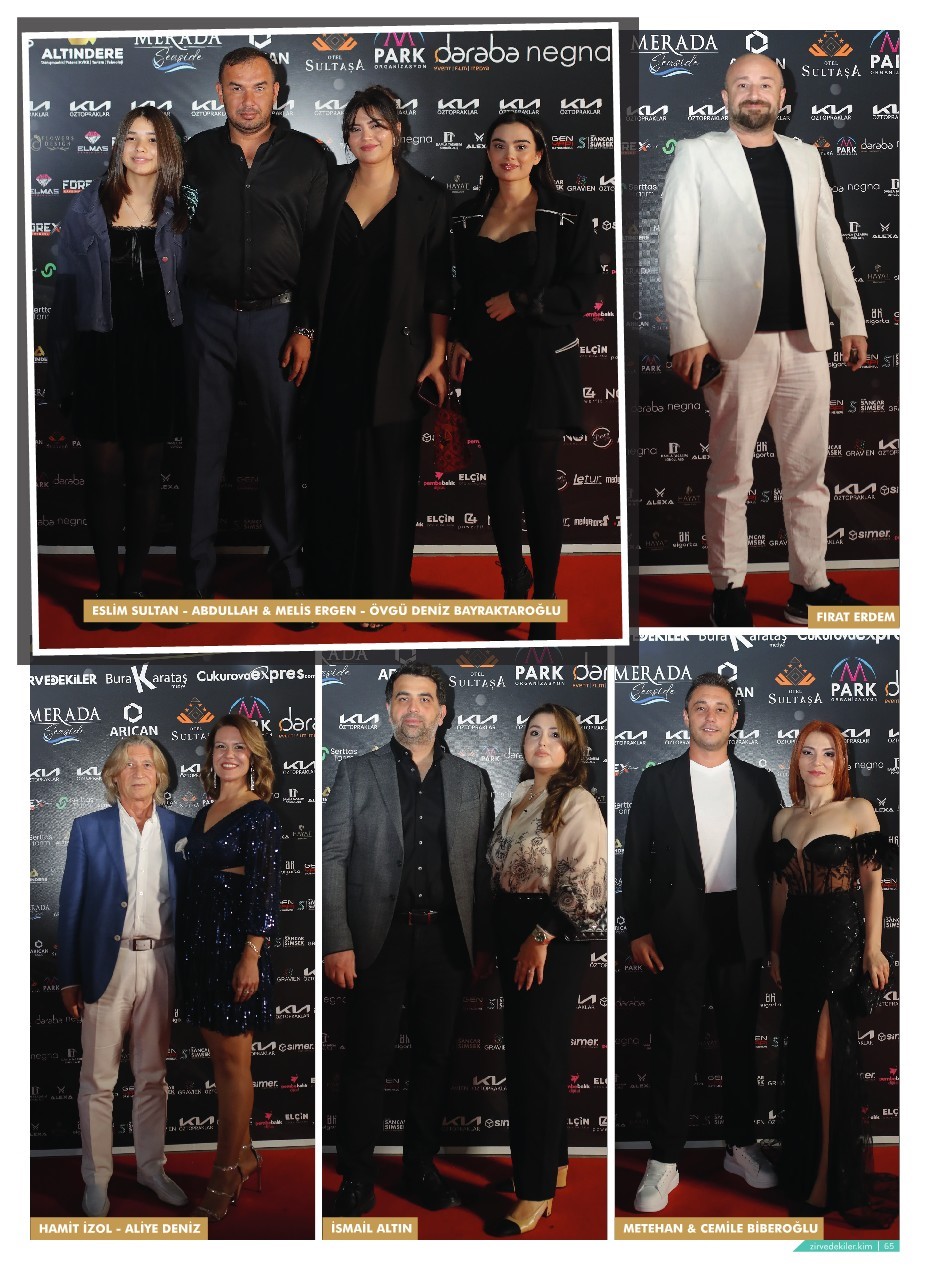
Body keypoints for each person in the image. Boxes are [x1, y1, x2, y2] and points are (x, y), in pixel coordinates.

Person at [658, 54, 868, 627]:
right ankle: (728, 590)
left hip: (806, 339)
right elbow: (675, 248)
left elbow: (828, 239)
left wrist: (850, 317)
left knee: (808, 475)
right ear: (725, 97)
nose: (754, 93)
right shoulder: (697, 154)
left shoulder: (806, 157)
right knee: (731, 476)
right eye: (743, 84)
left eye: (765, 84)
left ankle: (810, 586)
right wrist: (687, 332)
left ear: (782, 96)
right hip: (733, 342)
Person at [322, 664, 494, 1216]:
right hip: (376, 941)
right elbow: (333, 858)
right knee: (365, 1061)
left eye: (424, 698)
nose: (413, 708)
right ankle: (357, 1175)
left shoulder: (472, 779)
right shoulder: (356, 772)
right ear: (389, 708)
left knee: (435, 1060)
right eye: (402, 698)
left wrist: (482, 943)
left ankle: (421, 1166)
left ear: (442, 711)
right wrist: (337, 940)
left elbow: (482, 870)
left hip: (446, 943)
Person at [622, 672, 783, 1212]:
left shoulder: (761, 782)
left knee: (739, 1042)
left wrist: (776, 938)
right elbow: (635, 859)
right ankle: (664, 1159)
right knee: (674, 1045)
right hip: (676, 929)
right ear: (685, 717)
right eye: (700, 707)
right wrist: (638, 928)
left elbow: (776, 866)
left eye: (720, 707)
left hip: (741, 925)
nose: (710, 716)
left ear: (735, 719)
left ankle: (741, 1145)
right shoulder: (657, 781)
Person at [180, 47, 328, 600]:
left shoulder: (309, 157)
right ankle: (194, 583)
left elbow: (320, 253)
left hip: (279, 322)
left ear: (277, 91)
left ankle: (289, 577)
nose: (248, 99)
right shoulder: (192, 154)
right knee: (201, 451)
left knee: (281, 453)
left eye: (259, 86)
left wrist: (305, 328)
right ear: (219, 92)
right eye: (236, 87)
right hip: (207, 318)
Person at [450, 113, 599, 639]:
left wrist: (521, 300)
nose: (508, 155)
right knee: (501, 480)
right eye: (498, 146)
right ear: (488, 154)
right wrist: (458, 338)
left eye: (520, 146)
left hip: (543, 364)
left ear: (538, 154)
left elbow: (582, 289)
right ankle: (514, 583)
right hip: (488, 364)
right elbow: (461, 291)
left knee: (538, 481)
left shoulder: (569, 211)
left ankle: (547, 600)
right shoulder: (466, 216)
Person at [305, 85, 452, 619]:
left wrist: (438, 351)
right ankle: (330, 586)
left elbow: (438, 285)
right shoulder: (326, 187)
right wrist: (304, 330)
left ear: (397, 131)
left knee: (389, 477)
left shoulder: (429, 197)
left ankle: (382, 591)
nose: (365, 136)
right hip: (333, 352)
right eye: (355, 127)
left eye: (377, 125)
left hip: (400, 354)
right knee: (333, 470)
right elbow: (307, 272)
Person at [47, 107, 186, 613]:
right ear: (118, 146)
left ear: (167, 149)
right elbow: (63, 295)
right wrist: (61, 371)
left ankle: (134, 587)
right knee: (103, 474)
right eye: (131, 137)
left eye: (152, 138)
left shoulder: (182, 209)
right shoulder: (87, 206)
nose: (140, 147)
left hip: (158, 359)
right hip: (99, 357)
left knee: (147, 473)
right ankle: (107, 587)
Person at [57, 738, 190, 1217]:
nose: (138, 771)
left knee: (153, 1077)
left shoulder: (183, 829)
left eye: (147, 764)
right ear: (114, 776)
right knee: (97, 1081)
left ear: (160, 775)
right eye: (128, 764)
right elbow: (71, 907)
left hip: (162, 963)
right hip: (105, 966)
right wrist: (68, 977)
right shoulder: (87, 829)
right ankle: (97, 1180)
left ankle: (152, 1169)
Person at [487, 705, 607, 1236]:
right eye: (533, 731)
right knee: (535, 1055)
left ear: (571, 747)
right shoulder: (518, 795)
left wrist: (539, 938)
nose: (541, 741)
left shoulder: (577, 801)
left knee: (535, 1061)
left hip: (550, 936)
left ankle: (533, 1192)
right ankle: (552, 1163)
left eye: (555, 735)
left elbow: (585, 882)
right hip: (513, 933)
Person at [770, 722, 891, 1219]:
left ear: (841, 762)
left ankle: (825, 1177)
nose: (816, 762)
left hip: (839, 941)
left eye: (827, 753)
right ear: (796, 761)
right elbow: (780, 892)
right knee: (803, 1056)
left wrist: (874, 949)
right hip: (796, 944)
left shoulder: (858, 810)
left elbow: (873, 885)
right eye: (807, 752)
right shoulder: (783, 818)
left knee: (825, 1053)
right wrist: (775, 951)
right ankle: (805, 1165)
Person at [176, 715, 281, 1221]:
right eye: (220, 747)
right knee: (220, 1062)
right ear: (211, 756)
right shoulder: (204, 813)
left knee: (235, 1064)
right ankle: (245, 1154)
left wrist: (250, 955)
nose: (229, 755)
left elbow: (265, 890)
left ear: (253, 756)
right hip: (198, 948)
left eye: (239, 747)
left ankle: (224, 1172)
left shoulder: (260, 814)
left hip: (235, 949)